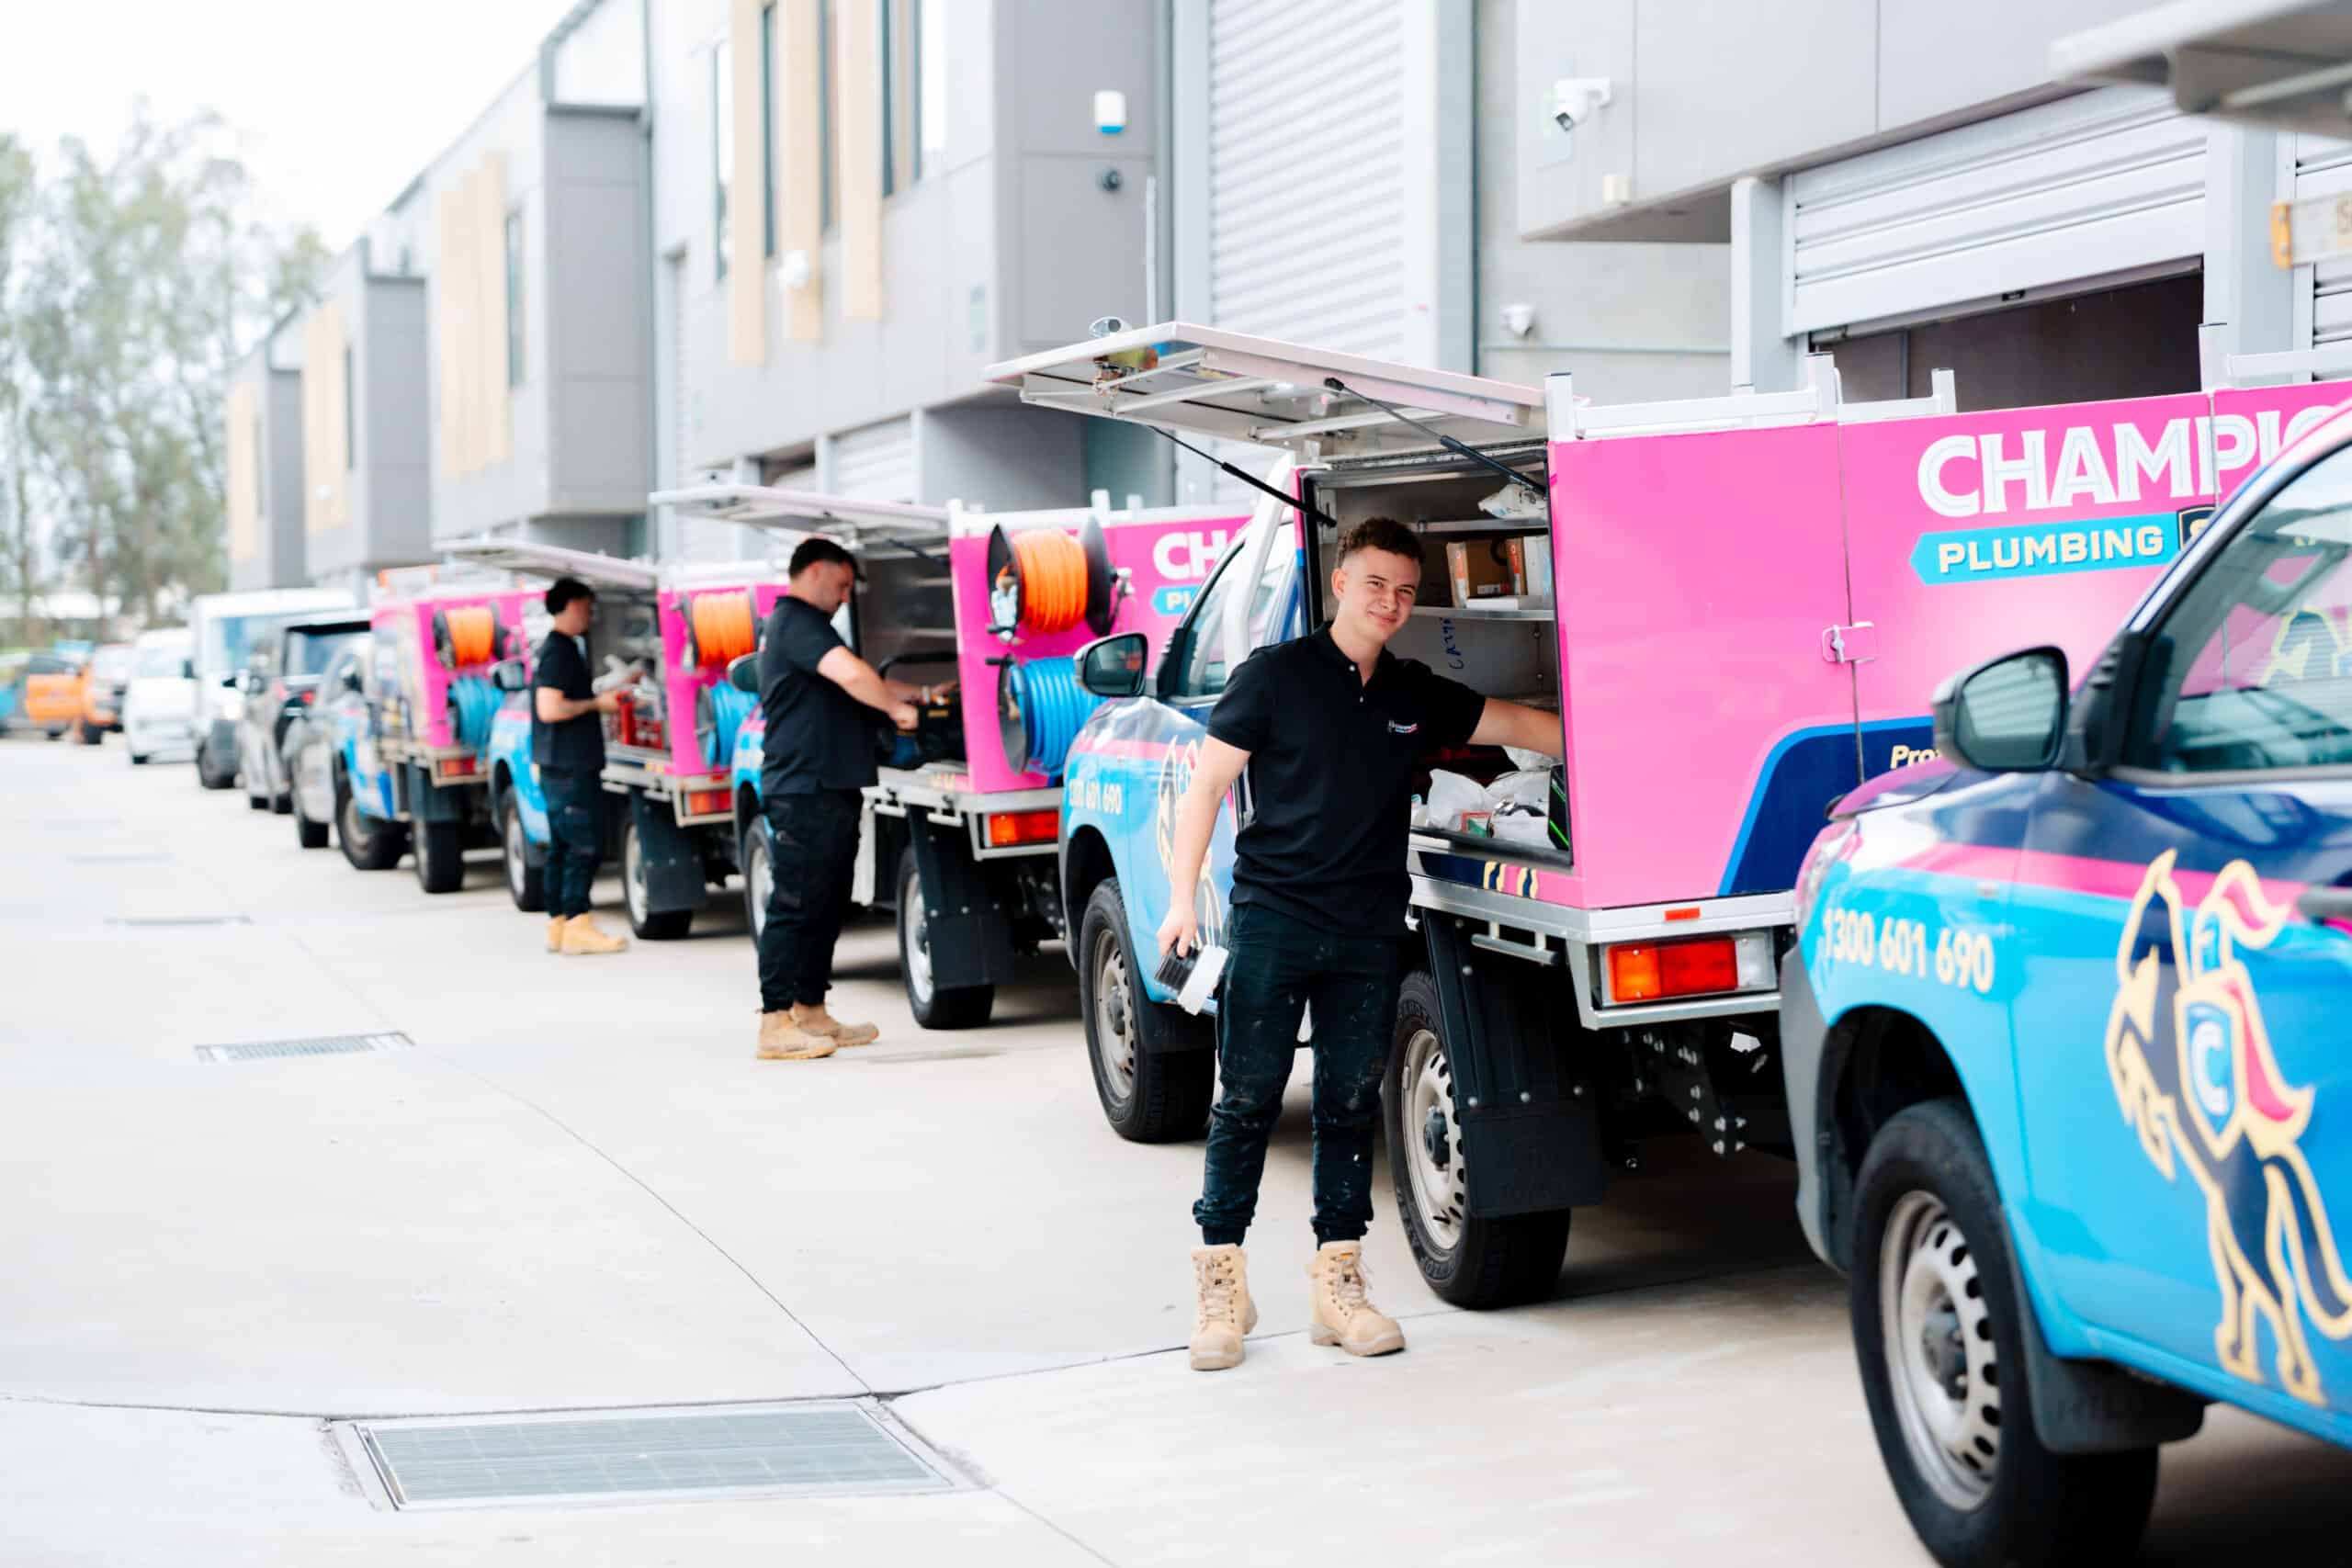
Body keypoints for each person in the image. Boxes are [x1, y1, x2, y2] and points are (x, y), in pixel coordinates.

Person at [1157, 516, 1564, 1371]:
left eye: (1407, 591)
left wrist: (1627, 743)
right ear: (1341, 582)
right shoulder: (1272, 678)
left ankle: (1337, 1283)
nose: (1392, 601)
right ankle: (1221, 1286)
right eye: (1377, 583)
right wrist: (1179, 901)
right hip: (1273, 920)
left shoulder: (1412, 692)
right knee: (1247, 1101)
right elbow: (1205, 788)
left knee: (1348, 1104)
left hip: (1369, 928)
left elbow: (1519, 725)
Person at [753, 537, 954, 1061]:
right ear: (816, 571)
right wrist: (896, 709)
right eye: (842, 584)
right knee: (795, 902)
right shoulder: (796, 620)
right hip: (802, 787)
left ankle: (811, 1010)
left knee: (827, 900)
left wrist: (918, 694)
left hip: (829, 787)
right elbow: (852, 675)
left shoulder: (812, 629)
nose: (845, 597)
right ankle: (775, 1022)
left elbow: (853, 683)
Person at [532, 576, 637, 956]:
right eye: (588, 607)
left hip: (558, 765)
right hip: (570, 766)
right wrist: (598, 705)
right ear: (572, 605)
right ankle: (578, 923)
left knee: (562, 845)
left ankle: (559, 924)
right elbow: (550, 707)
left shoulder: (560, 648)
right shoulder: (559, 651)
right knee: (582, 846)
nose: (591, 615)